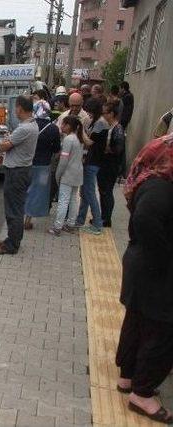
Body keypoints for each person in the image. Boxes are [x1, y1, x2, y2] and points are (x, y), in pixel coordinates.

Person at [115, 134, 173, 424]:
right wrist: (164, 257)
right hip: (155, 269)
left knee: (137, 322)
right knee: (162, 331)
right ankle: (143, 393)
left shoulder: (150, 180)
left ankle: (128, 377)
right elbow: (146, 220)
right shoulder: (161, 186)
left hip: (141, 264)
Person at [0, 95, 39, 255]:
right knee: (15, 208)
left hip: (17, 172)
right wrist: (8, 140)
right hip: (23, 170)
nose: (14, 111)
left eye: (16, 107)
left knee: (14, 210)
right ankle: (11, 239)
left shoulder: (24, 128)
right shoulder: (32, 125)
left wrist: (3, 143)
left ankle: (12, 245)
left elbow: (3, 147)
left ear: (19, 108)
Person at [48, 115, 85, 236]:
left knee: (63, 200)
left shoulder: (69, 139)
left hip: (67, 174)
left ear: (69, 126)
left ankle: (57, 227)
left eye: (63, 124)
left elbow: (63, 161)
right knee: (73, 200)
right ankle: (70, 224)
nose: (61, 126)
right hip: (78, 173)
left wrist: (58, 175)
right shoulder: (79, 138)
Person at [76, 98, 108, 234]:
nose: (87, 114)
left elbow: (89, 142)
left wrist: (80, 128)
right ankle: (80, 219)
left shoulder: (101, 123)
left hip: (93, 162)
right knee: (84, 192)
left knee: (89, 193)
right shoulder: (96, 121)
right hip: (90, 160)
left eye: (89, 111)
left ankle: (97, 224)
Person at [24, 116, 61, 230]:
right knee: (37, 191)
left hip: (26, 163)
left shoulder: (28, 125)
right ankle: (28, 219)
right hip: (44, 166)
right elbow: (56, 149)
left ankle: (23, 216)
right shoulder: (53, 128)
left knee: (26, 189)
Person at [98, 101, 125, 227]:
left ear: (112, 114)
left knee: (107, 191)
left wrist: (108, 149)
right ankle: (103, 216)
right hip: (106, 164)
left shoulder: (117, 129)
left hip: (111, 165)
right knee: (103, 191)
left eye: (105, 113)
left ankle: (106, 218)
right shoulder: (110, 127)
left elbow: (119, 148)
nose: (103, 115)